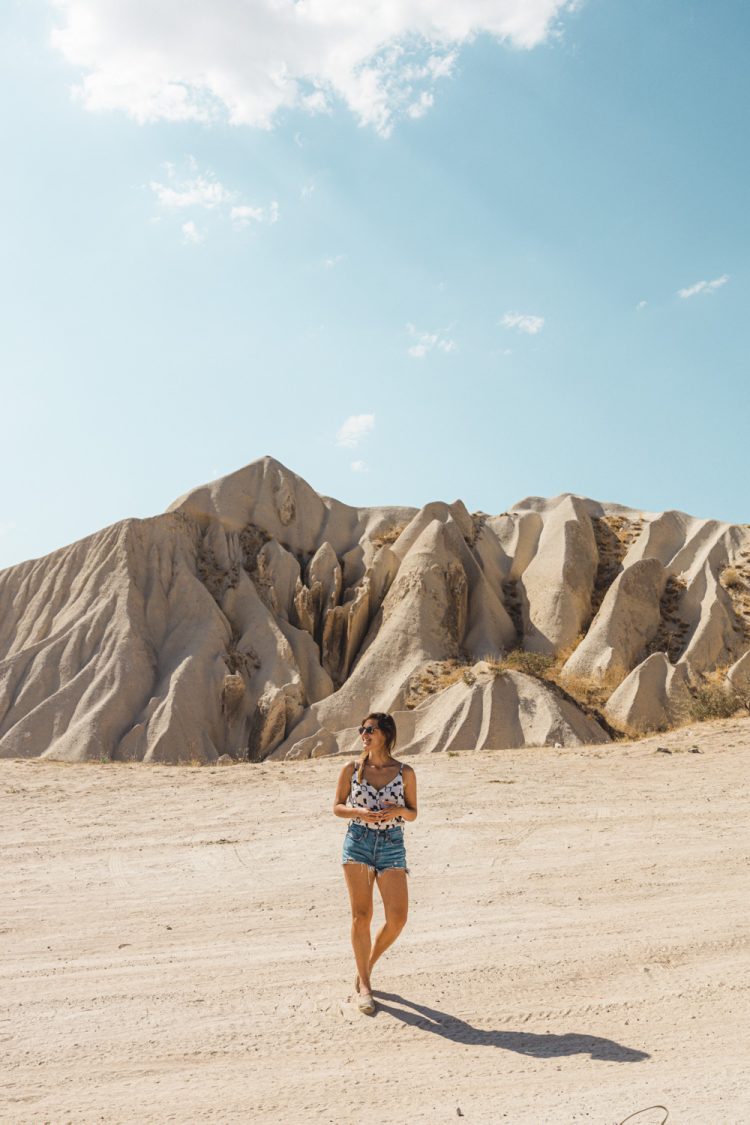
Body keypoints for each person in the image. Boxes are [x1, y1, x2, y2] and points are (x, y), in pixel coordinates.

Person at [332, 712, 418, 1016]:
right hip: (358, 841)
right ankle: (365, 987)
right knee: (361, 914)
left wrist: (398, 809)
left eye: (370, 730)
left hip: (392, 843)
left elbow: (413, 813)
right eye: (362, 729)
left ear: (385, 734)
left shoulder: (404, 772)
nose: (364, 734)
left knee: (398, 918)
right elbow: (337, 808)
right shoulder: (352, 769)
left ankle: (365, 963)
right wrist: (358, 811)